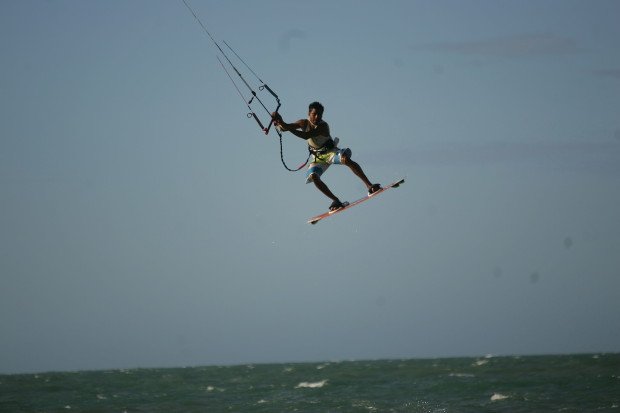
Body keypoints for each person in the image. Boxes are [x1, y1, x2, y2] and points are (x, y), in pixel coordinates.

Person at [272, 101, 381, 211]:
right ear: (309, 113)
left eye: (320, 114)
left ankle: (369, 186)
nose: (317, 117)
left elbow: (306, 136)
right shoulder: (303, 123)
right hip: (317, 157)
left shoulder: (323, 126)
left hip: (330, 152)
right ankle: (336, 200)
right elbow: (286, 128)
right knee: (314, 176)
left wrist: (284, 125)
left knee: (346, 160)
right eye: (314, 114)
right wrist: (279, 121)